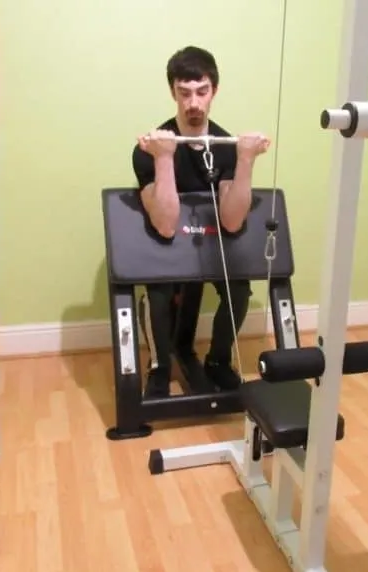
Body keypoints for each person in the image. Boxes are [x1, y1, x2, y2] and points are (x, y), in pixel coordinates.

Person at [130, 46, 270, 397]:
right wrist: (164, 159)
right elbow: (164, 224)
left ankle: (219, 361)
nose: (193, 103)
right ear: (173, 93)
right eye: (185, 93)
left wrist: (246, 162)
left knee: (239, 289)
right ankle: (160, 365)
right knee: (159, 290)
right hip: (168, 243)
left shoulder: (224, 146)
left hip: (210, 243)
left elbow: (233, 220)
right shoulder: (148, 149)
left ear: (214, 92)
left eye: (202, 92)